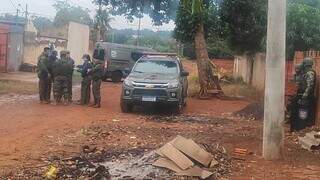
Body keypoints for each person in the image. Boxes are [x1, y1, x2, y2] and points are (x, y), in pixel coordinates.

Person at [290, 58, 316, 131]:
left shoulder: (310, 73)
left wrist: (305, 95)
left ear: (305, 65)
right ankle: (296, 127)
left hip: (307, 97)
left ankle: (301, 128)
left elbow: (310, 85)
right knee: (298, 111)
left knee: (303, 114)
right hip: (302, 95)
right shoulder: (305, 73)